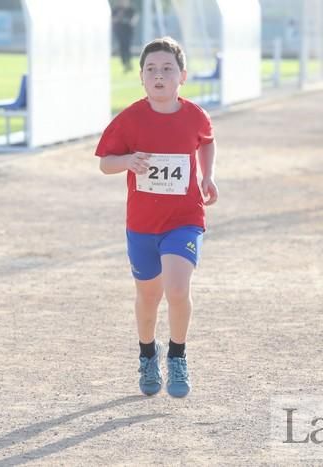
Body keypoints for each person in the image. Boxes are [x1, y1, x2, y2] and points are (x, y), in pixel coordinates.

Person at [95, 37, 218, 398]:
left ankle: (177, 356)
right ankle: (148, 353)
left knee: (177, 288)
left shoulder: (195, 115)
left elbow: (206, 140)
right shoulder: (130, 119)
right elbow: (105, 163)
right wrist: (127, 162)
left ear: (182, 76)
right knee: (148, 297)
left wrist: (207, 176)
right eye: (151, 70)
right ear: (141, 77)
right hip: (143, 225)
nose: (159, 76)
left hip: (185, 218)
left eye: (167, 69)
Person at [112, 0, 137, 72]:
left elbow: (134, 19)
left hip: (128, 32)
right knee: (122, 48)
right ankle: (124, 64)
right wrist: (118, 17)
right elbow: (113, 19)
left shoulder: (130, 9)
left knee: (127, 47)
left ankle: (129, 63)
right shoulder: (116, 9)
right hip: (119, 32)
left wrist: (131, 21)